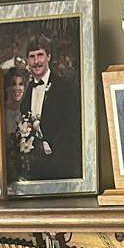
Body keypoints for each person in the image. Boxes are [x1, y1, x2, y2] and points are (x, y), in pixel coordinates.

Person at [20, 35, 81, 180]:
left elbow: (71, 130)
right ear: (28, 61)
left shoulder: (64, 88)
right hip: (34, 168)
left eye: (40, 55)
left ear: (48, 56)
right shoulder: (25, 91)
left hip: (60, 166)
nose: (36, 61)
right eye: (32, 57)